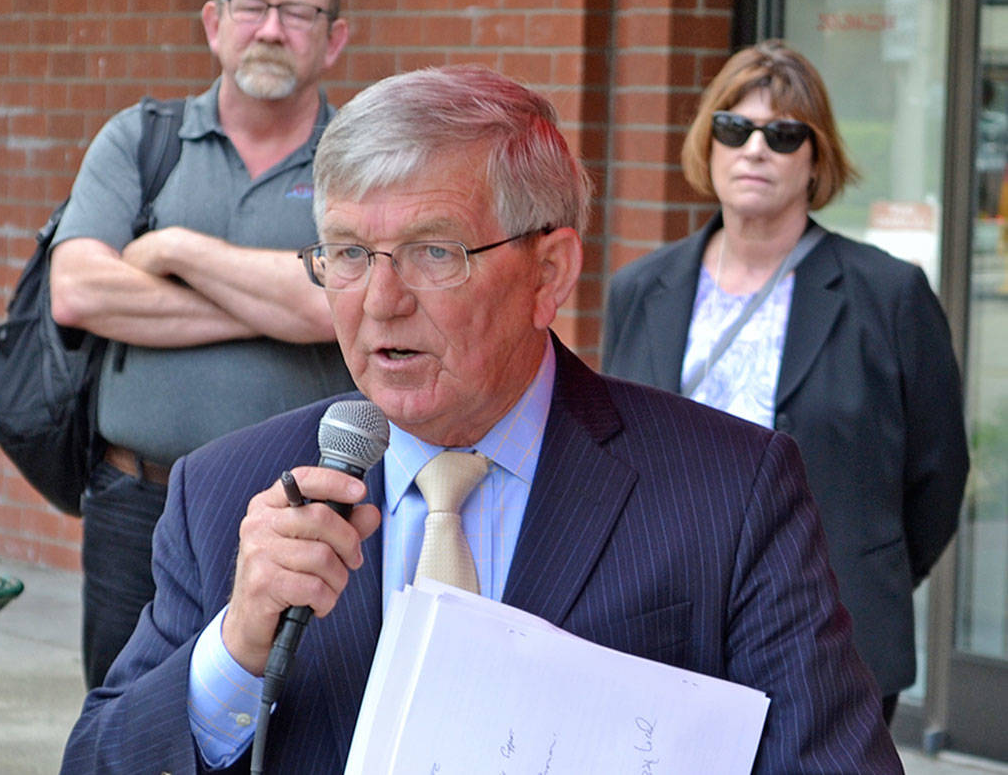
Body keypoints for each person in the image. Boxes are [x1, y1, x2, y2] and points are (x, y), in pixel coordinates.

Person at [60, 65, 901, 773]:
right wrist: (234, 654)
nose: (381, 303)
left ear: (551, 271)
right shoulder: (228, 492)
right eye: (349, 254)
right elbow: (99, 756)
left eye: (436, 252)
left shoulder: (731, 490)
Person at [602, 39, 969, 723]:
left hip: (828, 632)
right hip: (664, 625)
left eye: (784, 133)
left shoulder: (887, 294)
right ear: (708, 143)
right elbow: (614, 448)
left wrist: (866, 573)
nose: (756, 150)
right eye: (735, 128)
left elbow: (937, 472)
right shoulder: (641, 289)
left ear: (816, 156)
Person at [48, 0, 356, 689]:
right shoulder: (140, 141)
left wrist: (179, 251)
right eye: (252, 7)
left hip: (303, 515)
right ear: (215, 23)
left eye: (298, 13)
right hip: (135, 510)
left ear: (335, 39)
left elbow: (344, 304)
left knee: (288, 725)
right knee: (125, 722)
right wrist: (282, 299)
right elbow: (79, 289)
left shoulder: (362, 156)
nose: (272, 30)